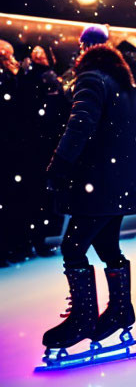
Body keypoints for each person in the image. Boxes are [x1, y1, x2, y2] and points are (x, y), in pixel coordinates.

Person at [41, 29, 136, 367]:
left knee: (72, 247)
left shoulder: (91, 78)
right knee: (107, 247)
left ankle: (83, 320)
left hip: (98, 182)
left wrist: (59, 164)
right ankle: (119, 310)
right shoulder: (128, 83)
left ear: (85, 52)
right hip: (121, 182)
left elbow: (80, 124)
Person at [17, 46, 69, 257]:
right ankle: (38, 238)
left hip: (37, 145)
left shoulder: (29, 78)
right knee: (42, 195)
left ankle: (35, 239)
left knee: (38, 195)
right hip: (43, 145)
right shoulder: (44, 79)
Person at [0, 40, 21, 266]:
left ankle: (9, 247)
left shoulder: (14, 77)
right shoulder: (15, 77)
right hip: (12, 143)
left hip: (10, 143)